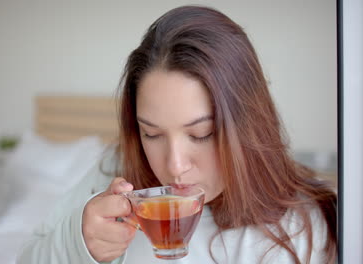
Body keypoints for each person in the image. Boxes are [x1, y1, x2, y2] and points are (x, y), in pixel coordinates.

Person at [17, 5, 337, 264]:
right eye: (152, 134)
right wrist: (78, 247)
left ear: (248, 125)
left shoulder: (302, 229)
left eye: (201, 134)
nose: (175, 166)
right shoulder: (114, 174)